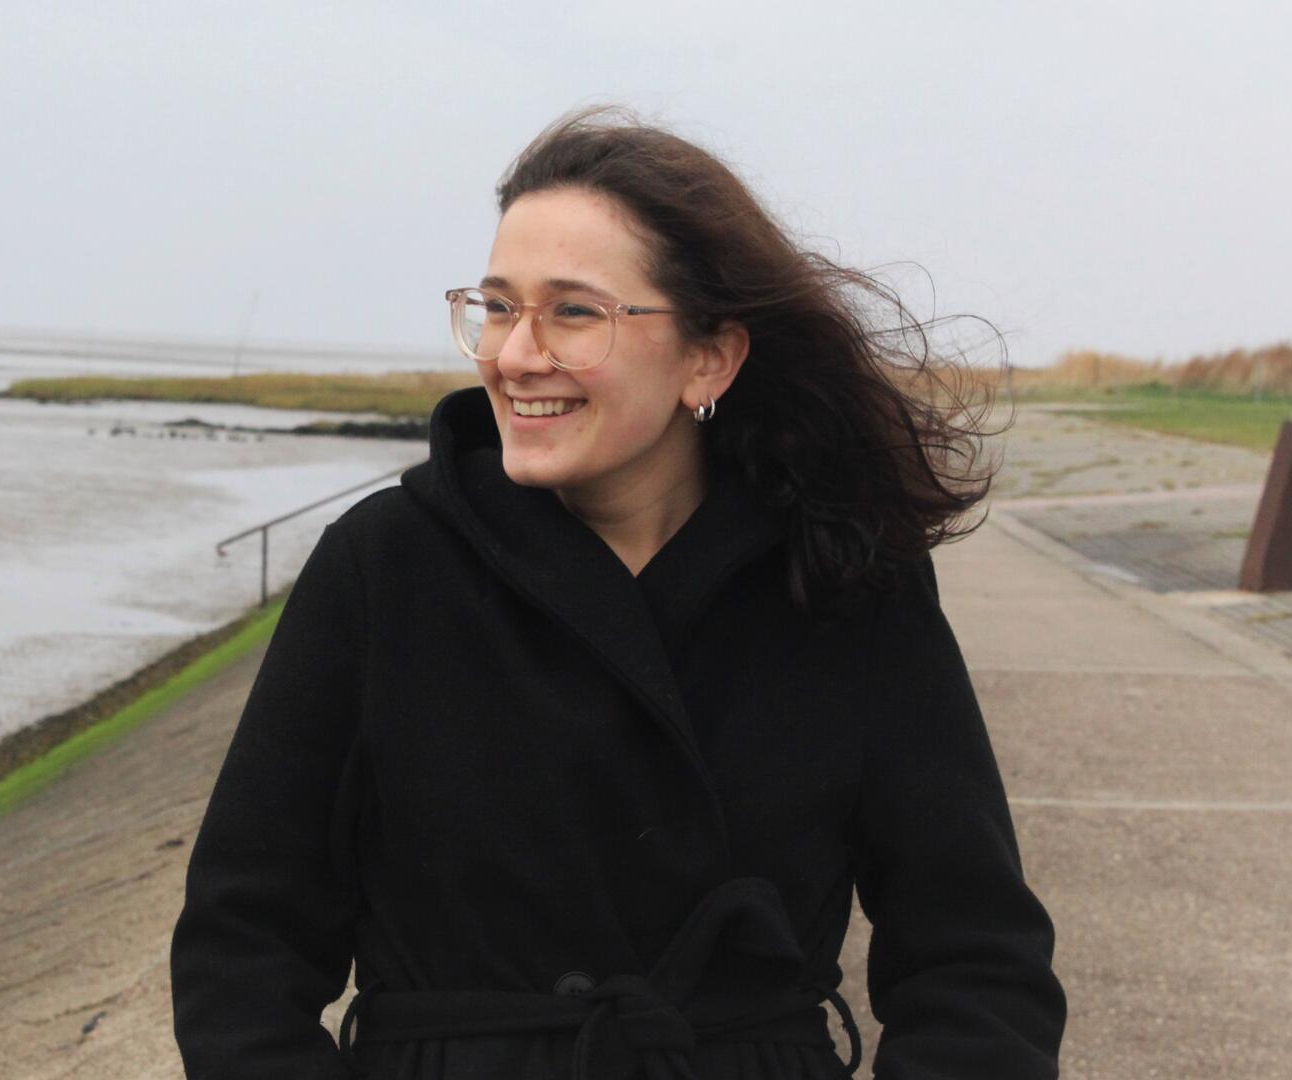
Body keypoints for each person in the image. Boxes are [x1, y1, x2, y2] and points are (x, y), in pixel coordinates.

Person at [169, 105, 1066, 1079]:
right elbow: (243, 947)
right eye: (498, 306)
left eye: (573, 312)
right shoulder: (384, 569)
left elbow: (974, 959)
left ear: (707, 358)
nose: (513, 356)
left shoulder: (847, 583)